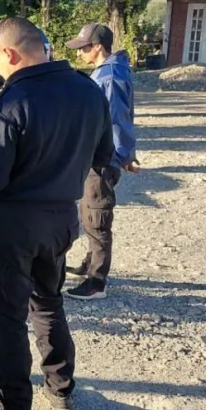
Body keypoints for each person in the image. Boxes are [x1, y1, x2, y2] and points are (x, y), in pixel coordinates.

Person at [0, 17, 113, 410]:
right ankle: (62, 392)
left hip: (12, 224)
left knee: (7, 316)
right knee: (48, 302)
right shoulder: (88, 89)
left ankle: (16, 409)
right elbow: (104, 157)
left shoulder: (11, 101)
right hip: (60, 219)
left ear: (10, 53)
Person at [64, 22, 139, 300]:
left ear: (98, 46)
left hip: (101, 159)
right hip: (100, 156)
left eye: (83, 47)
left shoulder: (107, 77)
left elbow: (117, 119)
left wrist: (117, 157)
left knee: (97, 218)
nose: (80, 52)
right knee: (89, 211)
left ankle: (96, 282)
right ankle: (88, 263)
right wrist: (128, 154)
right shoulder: (112, 71)